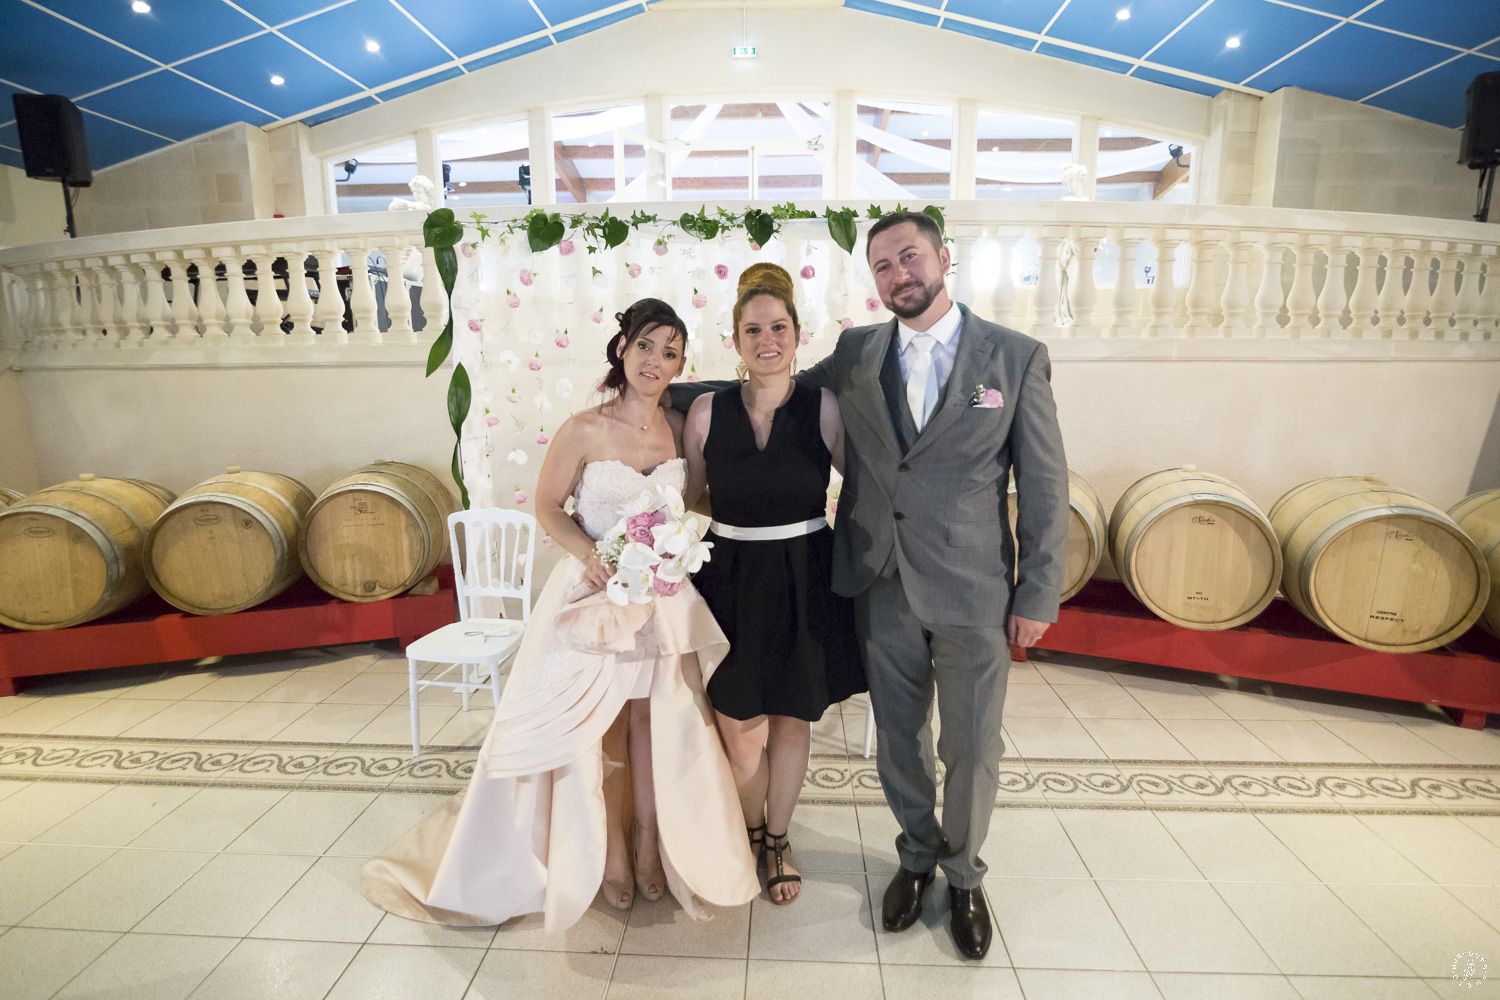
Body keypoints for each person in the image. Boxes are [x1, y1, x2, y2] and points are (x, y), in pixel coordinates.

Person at [673, 212, 1069, 959]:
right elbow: (774, 382)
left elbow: (1046, 486)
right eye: (883, 266)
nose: (899, 274)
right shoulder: (859, 353)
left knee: (973, 745)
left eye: (909, 257)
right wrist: (651, 389)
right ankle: (915, 856)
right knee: (900, 740)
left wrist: (1037, 593)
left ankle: (964, 875)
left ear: (943, 258)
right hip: (880, 583)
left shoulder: (1014, 358)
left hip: (974, 590)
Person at [363, 298, 759, 933]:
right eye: (646, 345)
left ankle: (651, 842)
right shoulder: (583, 428)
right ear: (622, 348)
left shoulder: (680, 427)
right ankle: (608, 854)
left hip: (659, 597)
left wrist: (679, 542)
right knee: (598, 725)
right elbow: (548, 507)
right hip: (593, 595)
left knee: (654, 720)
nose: (656, 361)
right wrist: (593, 556)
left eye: (671, 352)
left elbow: (694, 497)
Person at [680, 263, 866, 906]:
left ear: (797, 333)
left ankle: (777, 838)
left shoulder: (824, 407)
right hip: (729, 579)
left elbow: (862, 485)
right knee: (738, 726)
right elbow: (692, 494)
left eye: (779, 327)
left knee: (791, 717)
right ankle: (750, 826)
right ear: (735, 339)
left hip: (805, 577)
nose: (768, 340)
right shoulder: (705, 412)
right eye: (754, 329)